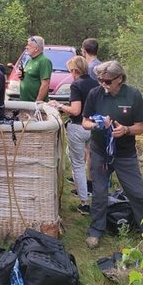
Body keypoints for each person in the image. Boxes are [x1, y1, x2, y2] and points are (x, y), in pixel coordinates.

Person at [81, 60, 143, 248]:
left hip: (125, 154)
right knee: (99, 192)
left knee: (136, 192)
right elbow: (85, 122)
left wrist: (126, 130)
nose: (103, 84)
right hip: (99, 151)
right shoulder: (94, 94)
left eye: (107, 81)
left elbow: (140, 128)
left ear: (119, 79)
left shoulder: (133, 96)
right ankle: (96, 230)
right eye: (100, 80)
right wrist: (96, 124)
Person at [49, 55, 98, 215]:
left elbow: (76, 110)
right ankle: (90, 190)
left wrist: (60, 106)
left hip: (78, 126)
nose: (70, 73)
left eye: (70, 70)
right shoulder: (95, 82)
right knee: (87, 158)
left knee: (77, 165)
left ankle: (84, 202)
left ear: (75, 70)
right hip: (94, 126)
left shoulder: (76, 85)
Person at [19, 35, 52, 102]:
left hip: (34, 104)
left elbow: (45, 84)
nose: (26, 47)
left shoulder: (44, 61)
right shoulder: (29, 60)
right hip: (24, 102)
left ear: (36, 48)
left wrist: (38, 101)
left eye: (29, 45)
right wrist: (22, 76)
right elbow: (30, 76)